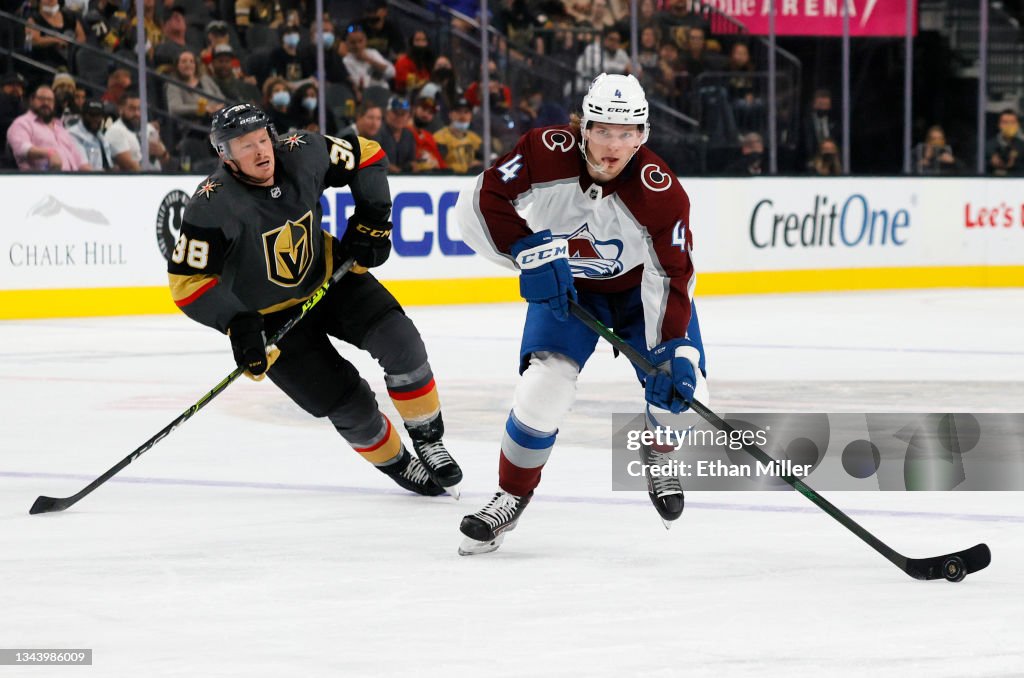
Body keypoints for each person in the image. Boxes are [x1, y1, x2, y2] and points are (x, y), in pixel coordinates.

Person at [452, 74, 708, 555]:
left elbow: (671, 276)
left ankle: (659, 449)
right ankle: (511, 494)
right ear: (582, 127)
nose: (614, 146)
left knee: (682, 394)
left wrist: (672, 351)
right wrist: (526, 253)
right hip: (569, 291)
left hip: (639, 295)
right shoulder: (543, 151)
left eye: (627, 133)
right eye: (604, 130)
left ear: (644, 136)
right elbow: (480, 203)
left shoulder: (662, 194)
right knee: (542, 387)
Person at [167, 103, 463, 498]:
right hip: (272, 321)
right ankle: (399, 464)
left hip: (331, 279)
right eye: (244, 146)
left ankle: (429, 439)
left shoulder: (301, 150)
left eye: (261, 139)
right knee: (348, 405)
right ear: (225, 155)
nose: (260, 152)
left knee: (402, 344)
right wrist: (238, 323)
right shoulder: (211, 205)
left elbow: (368, 154)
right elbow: (188, 283)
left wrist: (373, 219)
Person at [7, 84, 91, 171]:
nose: (46, 103)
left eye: (50, 100)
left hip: (72, 179)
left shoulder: (60, 128)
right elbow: (22, 148)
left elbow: (79, 159)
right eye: (41, 99)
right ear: (32, 100)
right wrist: (49, 153)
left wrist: (95, 174)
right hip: (39, 180)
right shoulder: (22, 123)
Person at [434, 96, 482, 174]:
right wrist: (466, 167)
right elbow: (439, 166)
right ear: (450, 114)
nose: (462, 116)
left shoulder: (475, 138)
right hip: (448, 180)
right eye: (458, 112)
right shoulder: (440, 138)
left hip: (471, 180)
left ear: (471, 116)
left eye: (466, 112)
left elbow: (483, 161)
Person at [67, 100, 113, 170]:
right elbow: (83, 167)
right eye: (91, 115)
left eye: (98, 116)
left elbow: (108, 165)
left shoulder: (101, 136)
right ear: (83, 115)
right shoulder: (73, 135)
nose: (95, 119)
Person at [986, 109, 1024, 176]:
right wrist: (991, 163)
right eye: (1005, 122)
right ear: (999, 124)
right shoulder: (988, 146)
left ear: (1018, 125)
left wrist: (1014, 163)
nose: (1009, 125)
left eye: (1013, 122)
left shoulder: (1022, 146)